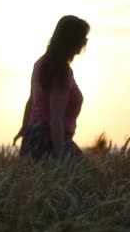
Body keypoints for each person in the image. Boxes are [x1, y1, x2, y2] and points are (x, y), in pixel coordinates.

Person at [13, 15, 89, 160]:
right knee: (90, 178)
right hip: (49, 140)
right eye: (83, 37)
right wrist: (61, 157)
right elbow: (56, 119)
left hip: (34, 138)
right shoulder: (61, 70)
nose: (85, 42)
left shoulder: (40, 64)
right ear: (72, 39)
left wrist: (24, 131)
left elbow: (31, 102)